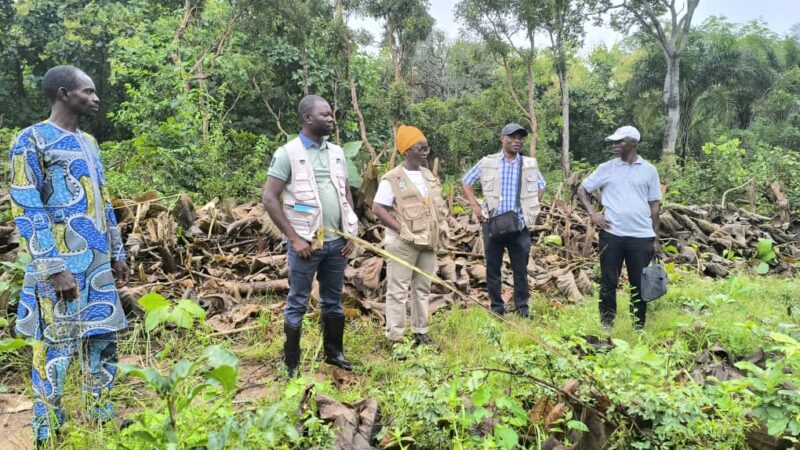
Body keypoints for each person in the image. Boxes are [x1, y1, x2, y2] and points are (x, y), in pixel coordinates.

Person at [9, 65, 130, 447]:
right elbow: (27, 207)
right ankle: (48, 432)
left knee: (102, 341)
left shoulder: (90, 143)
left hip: (97, 264)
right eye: (88, 91)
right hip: (60, 267)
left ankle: (102, 419)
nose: (95, 98)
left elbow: (103, 199)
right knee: (54, 352)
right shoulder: (31, 140)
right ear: (64, 94)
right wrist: (54, 268)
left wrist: (117, 250)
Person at [262, 95, 359, 377]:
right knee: (298, 302)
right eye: (325, 114)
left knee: (333, 300)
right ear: (307, 118)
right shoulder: (287, 153)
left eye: (331, 114)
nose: (331, 119)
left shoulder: (337, 153)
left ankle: (335, 354)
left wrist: (350, 231)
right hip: (306, 243)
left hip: (337, 244)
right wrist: (294, 238)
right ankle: (292, 364)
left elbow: (345, 193)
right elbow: (270, 198)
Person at [576, 126, 661, 330]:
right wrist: (593, 214)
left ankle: (638, 326)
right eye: (614, 142)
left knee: (638, 284)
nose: (614, 146)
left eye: (619, 142)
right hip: (612, 235)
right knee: (608, 282)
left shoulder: (649, 170)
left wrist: (656, 239)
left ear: (632, 143)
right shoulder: (607, 168)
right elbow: (582, 189)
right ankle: (607, 325)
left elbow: (655, 207)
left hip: (641, 236)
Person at [372, 125, 446, 359]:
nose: (425, 152)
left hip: (427, 241)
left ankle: (420, 332)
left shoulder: (428, 175)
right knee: (397, 290)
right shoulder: (393, 178)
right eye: (420, 148)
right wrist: (400, 229)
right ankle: (395, 338)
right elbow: (378, 208)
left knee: (422, 288)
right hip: (403, 243)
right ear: (406, 151)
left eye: (426, 147)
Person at [462, 123, 545, 318]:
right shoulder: (488, 162)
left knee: (520, 269)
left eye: (520, 138)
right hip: (493, 223)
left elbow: (542, 185)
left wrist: (531, 205)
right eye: (512, 137)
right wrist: (475, 206)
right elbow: (466, 181)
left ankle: (522, 308)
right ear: (502, 139)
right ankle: (496, 308)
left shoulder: (528, 164)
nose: (517, 141)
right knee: (493, 268)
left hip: (519, 225)